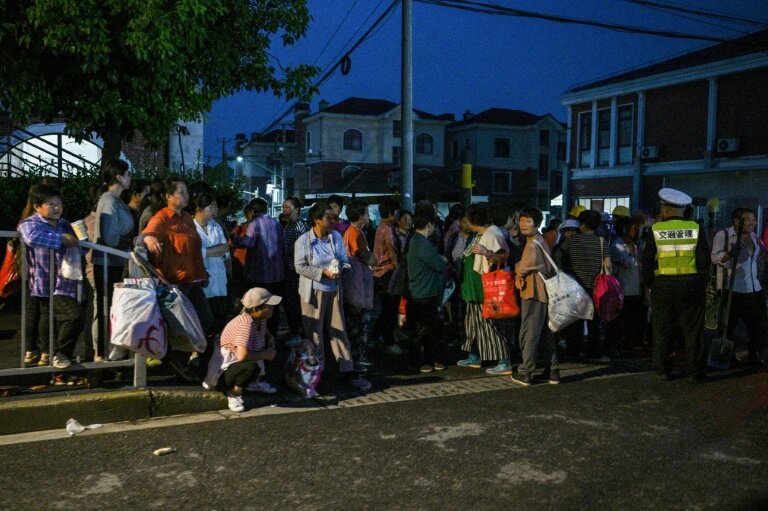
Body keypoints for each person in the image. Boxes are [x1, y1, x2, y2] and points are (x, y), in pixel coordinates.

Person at [295, 202, 372, 393]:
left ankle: (347, 369)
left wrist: (340, 270)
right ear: (317, 220)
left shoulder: (335, 237)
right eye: (328, 217)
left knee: (339, 329)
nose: (333, 220)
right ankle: (315, 371)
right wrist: (322, 272)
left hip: (334, 289)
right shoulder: (304, 240)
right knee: (315, 333)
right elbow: (300, 266)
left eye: (334, 217)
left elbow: (344, 260)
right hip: (313, 291)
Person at [140, 179, 213, 376]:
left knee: (205, 320)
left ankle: (182, 360)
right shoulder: (162, 218)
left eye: (187, 192)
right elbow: (144, 236)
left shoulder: (188, 218)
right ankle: (176, 362)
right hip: (174, 283)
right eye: (181, 192)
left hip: (193, 280)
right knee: (182, 324)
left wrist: (202, 272)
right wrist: (150, 238)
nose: (186, 195)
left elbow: (195, 248)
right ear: (168, 197)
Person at [643, 188, 710, 382]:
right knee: (693, 330)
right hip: (691, 282)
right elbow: (704, 260)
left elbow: (648, 260)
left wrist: (649, 283)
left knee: (662, 328)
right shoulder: (696, 228)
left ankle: (663, 369)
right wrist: (702, 282)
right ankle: (694, 372)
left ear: (665, 208)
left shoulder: (655, 230)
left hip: (663, 284)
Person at [18, 183, 83, 369]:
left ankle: (56, 355)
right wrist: (61, 239)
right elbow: (32, 238)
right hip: (44, 282)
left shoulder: (64, 224)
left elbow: (78, 243)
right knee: (64, 317)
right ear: (37, 207)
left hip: (65, 282)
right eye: (51, 204)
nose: (56, 208)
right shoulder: (30, 223)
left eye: (59, 204)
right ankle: (53, 355)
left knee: (72, 317)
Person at [203, 287, 280, 412]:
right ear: (256, 309)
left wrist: (270, 337)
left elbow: (263, 330)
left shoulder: (260, 318)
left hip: (237, 364)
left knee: (269, 352)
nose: (273, 308)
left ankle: (254, 382)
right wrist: (265, 354)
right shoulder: (244, 325)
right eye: (269, 306)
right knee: (249, 367)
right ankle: (234, 392)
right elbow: (242, 356)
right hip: (223, 372)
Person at [457, 203, 512, 375]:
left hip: (484, 288)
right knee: (473, 324)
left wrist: (485, 252)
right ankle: (474, 356)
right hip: (472, 288)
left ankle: (504, 361)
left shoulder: (492, 234)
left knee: (490, 325)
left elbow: (501, 258)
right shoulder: (479, 234)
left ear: (474, 220)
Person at [710, 208, 768, 369]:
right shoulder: (724, 235)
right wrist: (729, 254)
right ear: (736, 220)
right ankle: (727, 357)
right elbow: (714, 257)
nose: (753, 222)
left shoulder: (754, 237)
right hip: (732, 289)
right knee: (728, 326)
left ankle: (755, 356)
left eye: (754, 219)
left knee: (757, 326)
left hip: (754, 288)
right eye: (748, 219)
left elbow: (761, 254)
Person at [90, 159, 134, 361]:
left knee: (111, 308)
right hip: (107, 263)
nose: (130, 177)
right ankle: (101, 353)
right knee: (106, 308)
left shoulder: (116, 201)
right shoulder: (109, 201)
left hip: (114, 262)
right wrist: (130, 241)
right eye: (128, 173)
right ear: (118, 177)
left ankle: (107, 352)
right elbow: (110, 237)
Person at [556, 209, 611, 362]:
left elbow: (558, 254)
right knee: (594, 321)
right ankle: (594, 353)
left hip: (576, 286)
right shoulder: (601, 241)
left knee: (576, 321)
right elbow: (608, 264)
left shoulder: (572, 240)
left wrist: (563, 271)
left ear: (583, 225)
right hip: (595, 287)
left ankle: (574, 352)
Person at [512, 207, 559, 386]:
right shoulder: (539, 240)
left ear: (537, 224)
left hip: (533, 291)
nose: (523, 224)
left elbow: (526, 265)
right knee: (546, 332)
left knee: (529, 330)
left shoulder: (532, 244)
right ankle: (552, 370)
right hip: (544, 291)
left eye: (528, 221)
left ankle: (526, 371)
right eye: (522, 220)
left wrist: (517, 271)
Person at [232, 197, 284, 335]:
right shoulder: (276, 223)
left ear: (252, 210)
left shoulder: (254, 224)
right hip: (276, 273)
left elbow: (248, 243)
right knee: (274, 307)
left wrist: (235, 238)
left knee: (258, 306)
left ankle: (259, 335)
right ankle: (272, 334)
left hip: (258, 274)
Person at [407, 211, 448, 373]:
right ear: (429, 225)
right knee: (425, 329)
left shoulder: (415, 241)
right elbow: (439, 265)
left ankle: (428, 359)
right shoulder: (422, 243)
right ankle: (422, 360)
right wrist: (442, 260)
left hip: (420, 291)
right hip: (424, 292)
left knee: (426, 328)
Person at [342, 199, 377, 371]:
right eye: (366, 213)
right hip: (357, 282)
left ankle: (352, 357)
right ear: (360, 216)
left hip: (352, 280)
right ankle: (357, 358)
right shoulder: (357, 234)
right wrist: (374, 257)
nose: (368, 216)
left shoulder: (350, 231)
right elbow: (365, 256)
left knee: (352, 321)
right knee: (358, 322)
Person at [606, 216, 643, 356]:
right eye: (633, 229)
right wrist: (636, 255)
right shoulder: (617, 246)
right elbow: (631, 263)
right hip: (622, 289)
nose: (636, 232)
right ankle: (614, 346)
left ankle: (628, 344)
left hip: (633, 288)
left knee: (630, 320)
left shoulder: (631, 246)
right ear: (624, 230)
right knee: (619, 321)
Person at [192, 192, 229, 333]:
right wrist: (213, 251)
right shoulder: (191, 227)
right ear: (198, 208)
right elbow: (192, 253)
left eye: (216, 207)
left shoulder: (216, 226)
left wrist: (203, 252)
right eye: (211, 207)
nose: (215, 210)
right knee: (204, 323)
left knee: (220, 322)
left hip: (219, 283)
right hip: (203, 284)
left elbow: (225, 249)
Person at [371, 198, 401, 353]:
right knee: (389, 309)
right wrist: (399, 270)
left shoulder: (380, 227)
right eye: (396, 213)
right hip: (387, 273)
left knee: (386, 309)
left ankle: (376, 337)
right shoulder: (388, 230)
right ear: (390, 214)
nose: (398, 216)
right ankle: (388, 341)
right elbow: (393, 252)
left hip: (379, 273)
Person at [282, 197, 308, 344]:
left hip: (295, 271)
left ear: (296, 209)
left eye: (287, 207)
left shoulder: (299, 226)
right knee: (290, 303)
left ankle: (298, 334)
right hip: (289, 269)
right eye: (284, 207)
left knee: (294, 303)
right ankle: (294, 331)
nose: (284, 210)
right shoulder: (289, 225)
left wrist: (287, 251)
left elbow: (301, 248)